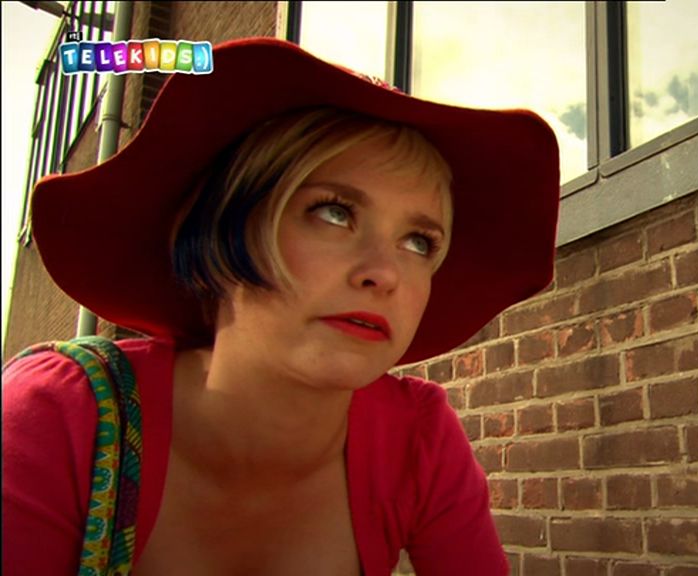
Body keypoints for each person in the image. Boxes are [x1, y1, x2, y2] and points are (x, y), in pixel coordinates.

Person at [2, 37, 560, 576]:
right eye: (334, 212)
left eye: (419, 242)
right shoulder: (58, 414)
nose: (386, 272)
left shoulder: (418, 439)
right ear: (220, 231)